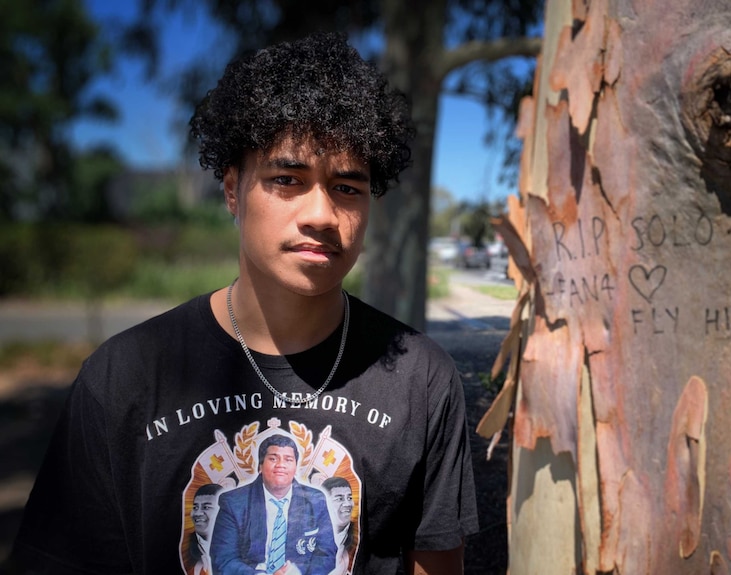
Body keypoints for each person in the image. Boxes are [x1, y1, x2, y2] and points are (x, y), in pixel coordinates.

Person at [8, 31, 478, 575]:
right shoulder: (123, 379)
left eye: (348, 187)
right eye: (287, 179)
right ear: (233, 190)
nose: (321, 214)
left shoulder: (421, 380)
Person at [210, 435, 336, 575]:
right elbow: (223, 559)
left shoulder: (316, 500)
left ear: (295, 467)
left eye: (288, 459)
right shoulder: (233, 502)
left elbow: (327, 554)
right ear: (260, 466)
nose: (281, 464)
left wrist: (297, 573)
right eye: (273, 458)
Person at [321, 476, 355, 575]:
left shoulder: (358, 533)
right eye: (340, 499)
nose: (347, 504)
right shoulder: (313, 534)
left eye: (349, 498)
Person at [189, 484, 224, 575]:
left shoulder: (239, 544)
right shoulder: (186, 550)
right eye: (195, 507)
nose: (198, 513)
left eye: (206, 507)